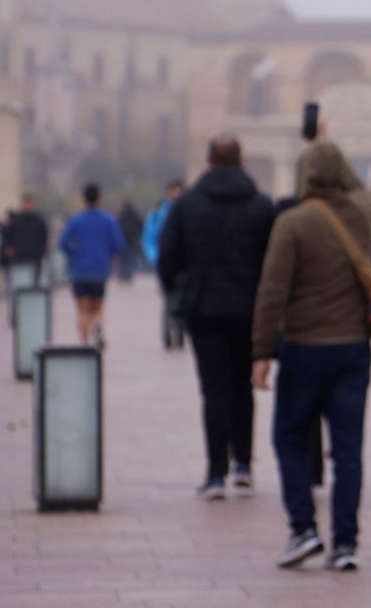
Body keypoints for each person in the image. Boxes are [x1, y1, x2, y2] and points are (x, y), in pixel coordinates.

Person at [251, 140, 371, 572]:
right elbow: (358, 188)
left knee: (289, 437)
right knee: (348, 448)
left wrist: (262, 350)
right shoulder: (362, 216)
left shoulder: (292, 223)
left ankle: (303, 528)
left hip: (304, 347)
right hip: (352, 349)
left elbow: (272, 292)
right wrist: (327, 147)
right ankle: (346, 542)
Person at [158, 138, 275, 500]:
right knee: (243, 387)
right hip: (248, 308)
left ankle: (215, 473)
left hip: (204, 309)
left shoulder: (187, 205)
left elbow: (167, 257)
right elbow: (273, 260)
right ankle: (243, 464)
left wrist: (180, 290)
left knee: (214, 390)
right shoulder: (260, 206)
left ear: (208, 162)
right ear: (241, 160)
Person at [58, 183, 126, 347]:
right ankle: (97, 324)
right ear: (99, 197)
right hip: (99, 270)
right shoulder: (108, 220)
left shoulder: (76, 220)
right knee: (97, 308)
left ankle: (84, 344)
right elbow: (119, 244)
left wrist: (73, 253)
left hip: (79, 270)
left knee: (81, 309)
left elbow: (62, 242)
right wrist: (106, 253)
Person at [144, 180, 186, 349]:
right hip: (165, 264)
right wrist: (155, 258)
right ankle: (168, 335)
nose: (175, 194)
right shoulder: (158, 214)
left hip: (185, 265)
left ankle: (180, 332)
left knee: (181, 300)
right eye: (173, 191)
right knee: (168, 300)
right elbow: (149, 238)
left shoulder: (189, 211)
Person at [3, 194, 50, 283]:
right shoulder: (15, 221)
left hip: (35, 258)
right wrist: (9, 249)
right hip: (18, 258)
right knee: (19, 282)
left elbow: (44, 238)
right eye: (25, 203)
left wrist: (42, 252)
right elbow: (8, 237)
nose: (27, 206)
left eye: (29, 204)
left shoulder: (39, 221)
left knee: (34, 282)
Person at [117, 201, 144, 281]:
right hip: (133, 241)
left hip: (123, 241)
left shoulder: (121, 216)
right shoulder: (135, 216)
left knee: (123, 259)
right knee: (130, 258)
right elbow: (141, 226)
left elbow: (116, 228)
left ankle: (123, 274)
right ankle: (129, 275)